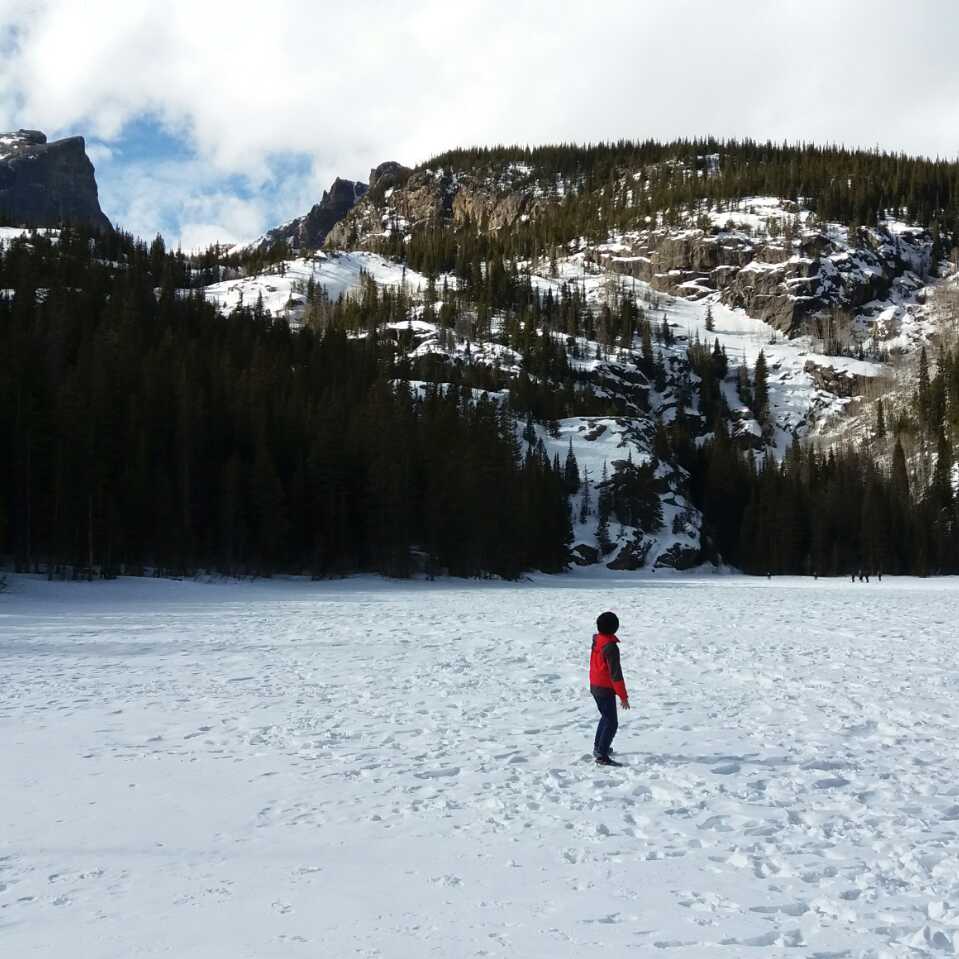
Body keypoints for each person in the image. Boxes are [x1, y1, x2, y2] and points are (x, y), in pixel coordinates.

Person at [589, 611, 629, 766]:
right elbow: (616, 675)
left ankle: (599, 748)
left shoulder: (597, 640)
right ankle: (602, 755)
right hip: (604, 688)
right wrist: (623, 696)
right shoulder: (611, 647)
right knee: (611, 722)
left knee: (605, 718)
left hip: (595, 685)